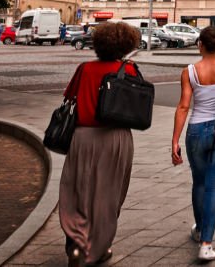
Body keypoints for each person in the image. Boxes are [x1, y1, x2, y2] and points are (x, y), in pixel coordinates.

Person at [59, 21, 141, 266]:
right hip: (116, 139)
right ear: (127, 46)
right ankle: (98, 247)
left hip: (83, 137)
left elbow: (70, 97)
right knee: (108, 194)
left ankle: (75, 246)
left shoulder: (84, 68)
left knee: (77, 190)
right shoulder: (131, 70)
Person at [171, 26, 215, 262]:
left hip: (197, 131)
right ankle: (206, 244)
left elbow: (183, 107)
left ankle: (200, 229)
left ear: (200, 44)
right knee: (214, 186)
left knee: (199, 183)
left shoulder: (190, 71)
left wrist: (175, 141)